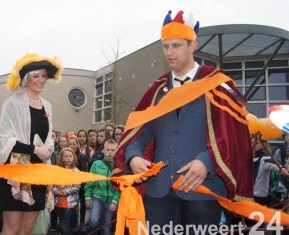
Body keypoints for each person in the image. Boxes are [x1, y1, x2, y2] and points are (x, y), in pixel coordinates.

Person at [115, 10, 253, 231]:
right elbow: (139, 132)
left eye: (176, 45)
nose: (170, 52)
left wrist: (207, 162)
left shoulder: (217, 85)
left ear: (192, 45)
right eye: (166, 46)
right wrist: (134, 156)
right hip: (158, 193)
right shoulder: (157, 90)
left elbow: (234, 135)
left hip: (203, 191)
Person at [0, 53, 61, 235]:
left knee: (26, 229)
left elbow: (49, 137)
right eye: (36, 76)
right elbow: (3, 139)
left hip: (38, 172)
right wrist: (34, 150)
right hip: (16, 170)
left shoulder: (47, 106)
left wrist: (47, 148)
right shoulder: (12, 103)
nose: (41, 80)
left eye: (44, 76)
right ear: (25, 79)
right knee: (12, 228)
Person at [85, 139, 119, 235]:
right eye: (107, 150)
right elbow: (90, 181)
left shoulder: (118, 167)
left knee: (107, 227)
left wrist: (115, 201)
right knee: (93, 221)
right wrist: (87, 197)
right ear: (103, 150)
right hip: (97, 198)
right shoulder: (96, 164)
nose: (110, 152)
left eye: (113, 150)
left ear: (117, 151)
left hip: (111, 200)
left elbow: (120, 186)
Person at [54, 147, 80, 235]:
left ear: (74, 157)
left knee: (65, 223)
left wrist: (65, 192)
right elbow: (53, 184)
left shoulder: (76, 171)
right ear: (62, 158)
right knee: (61, 223)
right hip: (59, 202)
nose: (68, 158)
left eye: (70, 156)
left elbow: (77, 187)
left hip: (70, 204)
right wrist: (55, 191)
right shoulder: (58, 171)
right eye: (66, 156)